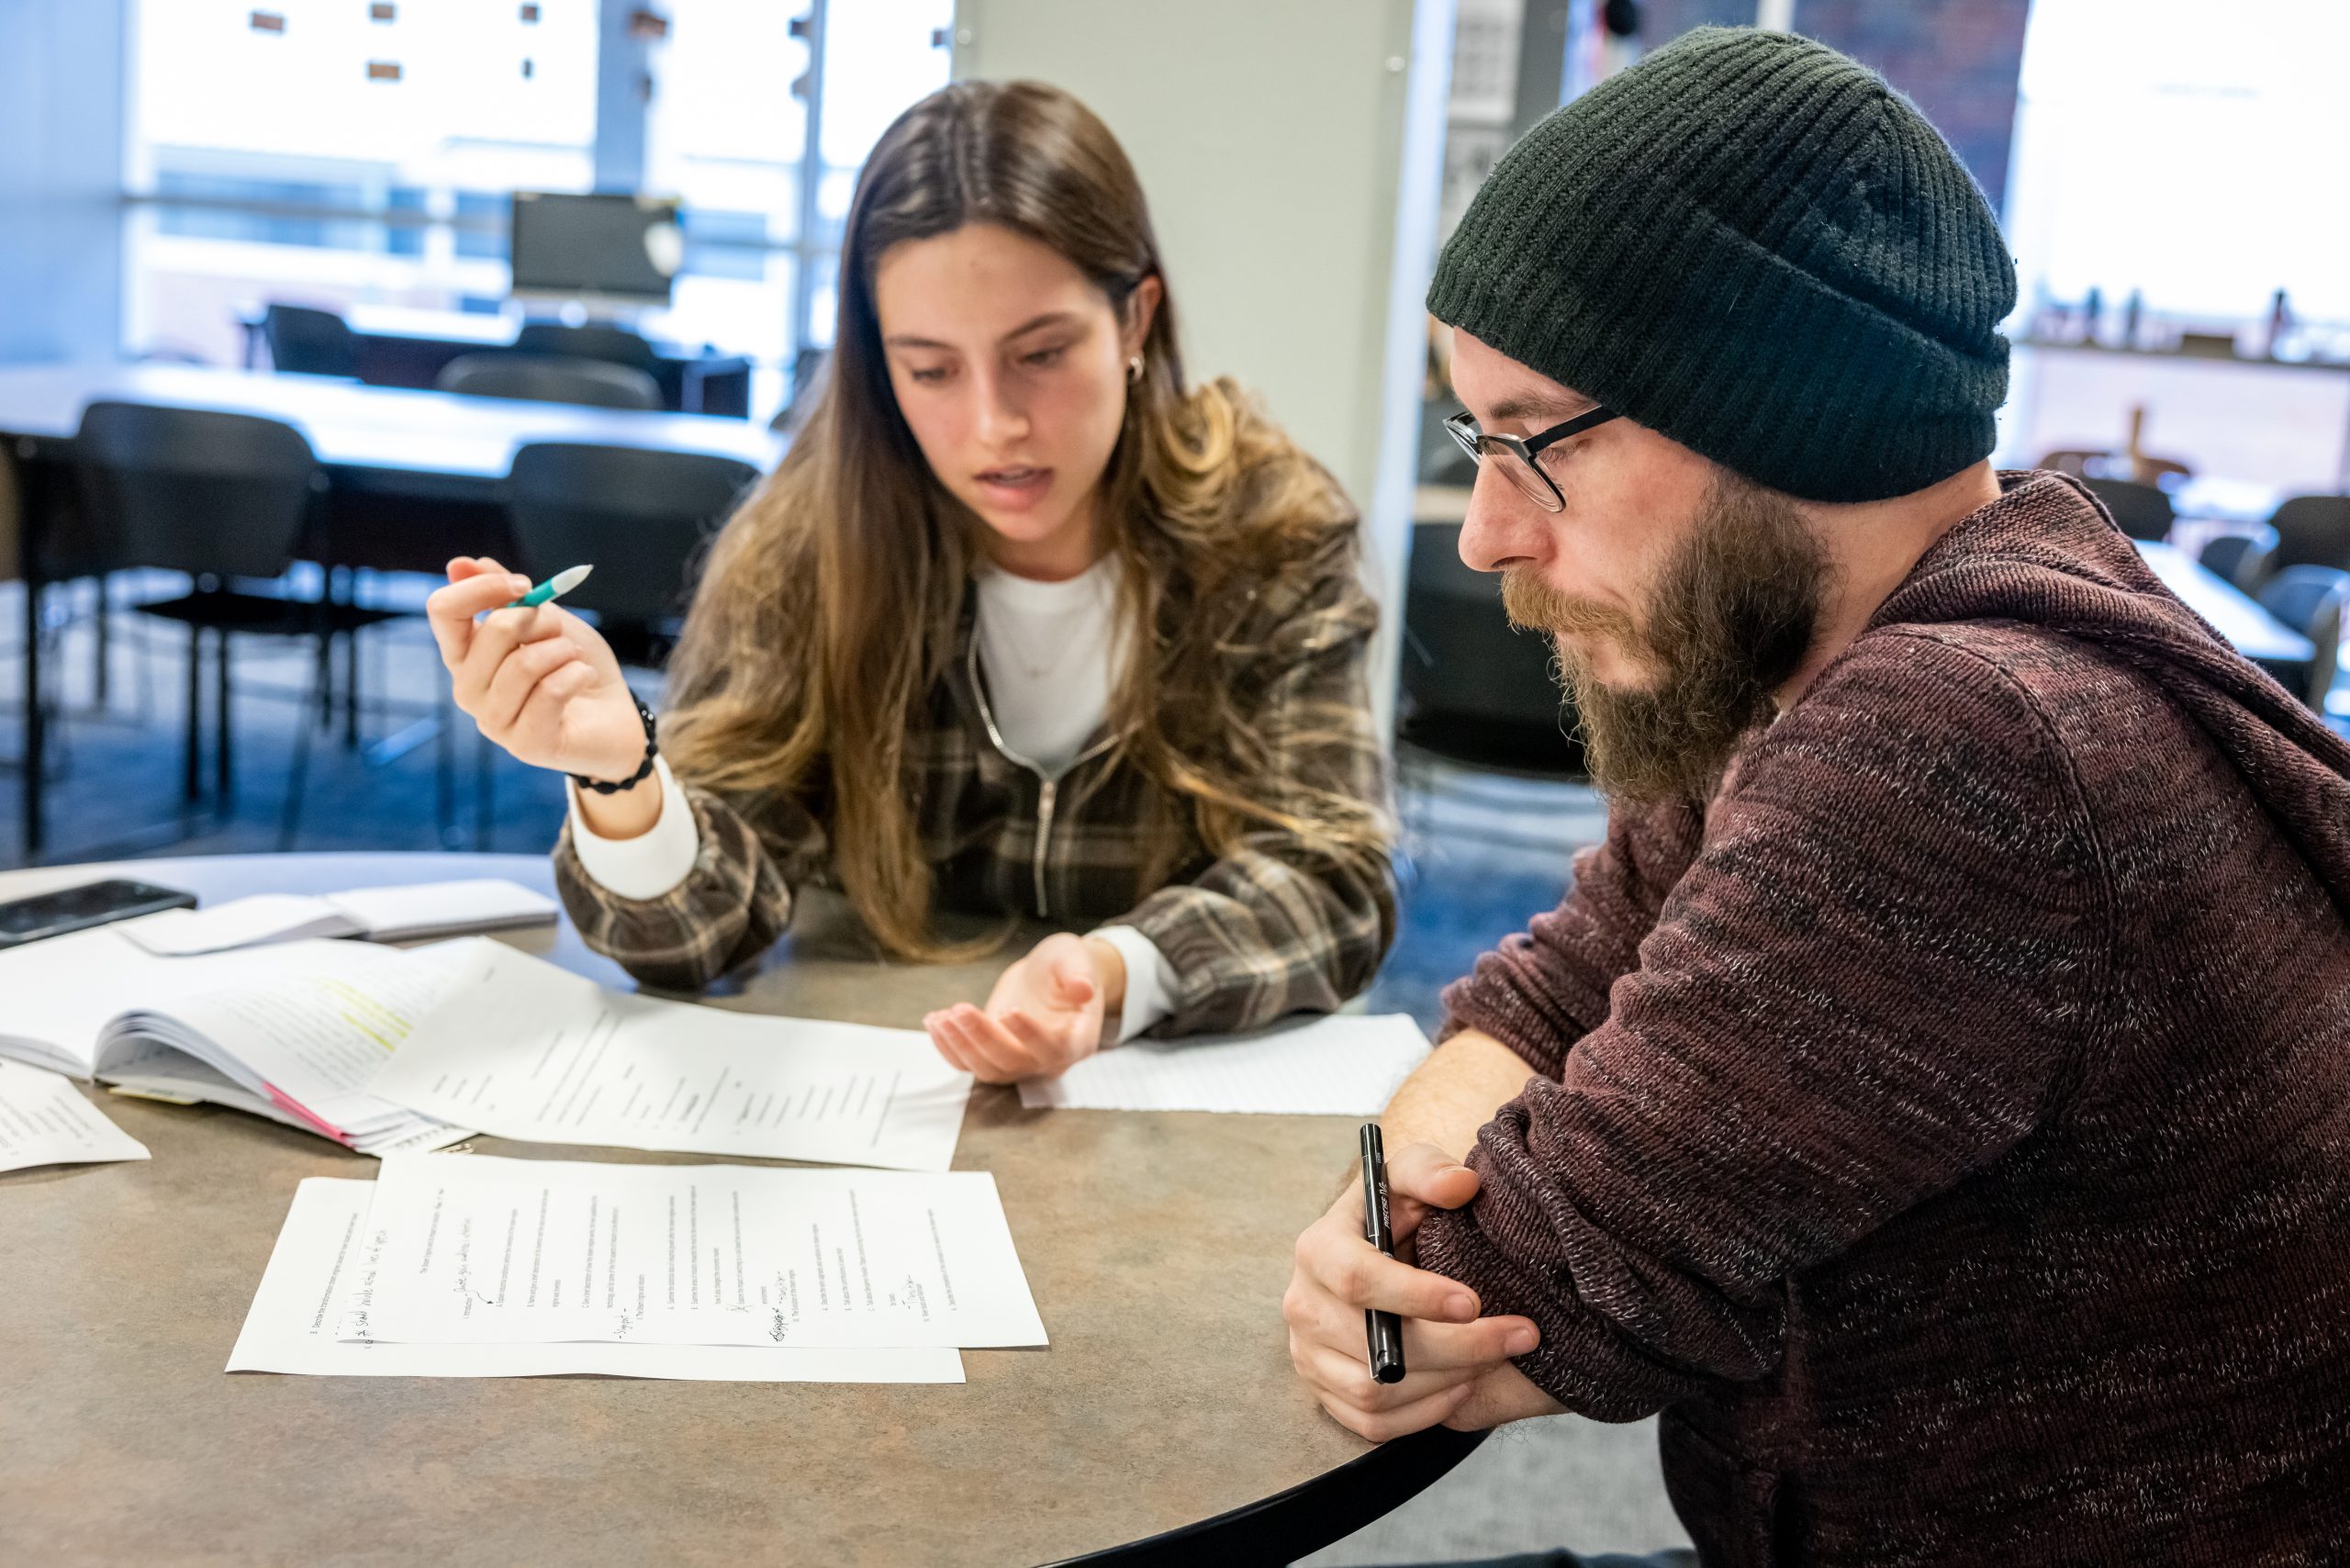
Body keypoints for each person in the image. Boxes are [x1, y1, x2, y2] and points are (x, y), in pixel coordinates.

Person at [1281, 28, 2349, 1567]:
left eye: (1535, 443)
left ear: (1767, 411)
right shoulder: (1821, 659)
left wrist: (1387, 1249)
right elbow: (1549, 996)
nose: (1488, 532)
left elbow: (1517, 1282)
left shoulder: (1966, 744)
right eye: (1477, 440)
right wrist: (1388, 1233)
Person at [425, 81, 1394, 1081]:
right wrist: (621, 773)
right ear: (878, 365)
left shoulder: (1268, 531)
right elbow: (685, 938)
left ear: (1136, 319)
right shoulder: (807, 542)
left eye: (1043, 353)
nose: (994, 426)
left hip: (1164, 1113)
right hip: (880, 1098)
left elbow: (1333, 882)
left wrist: (1113, 972)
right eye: (930, 369)